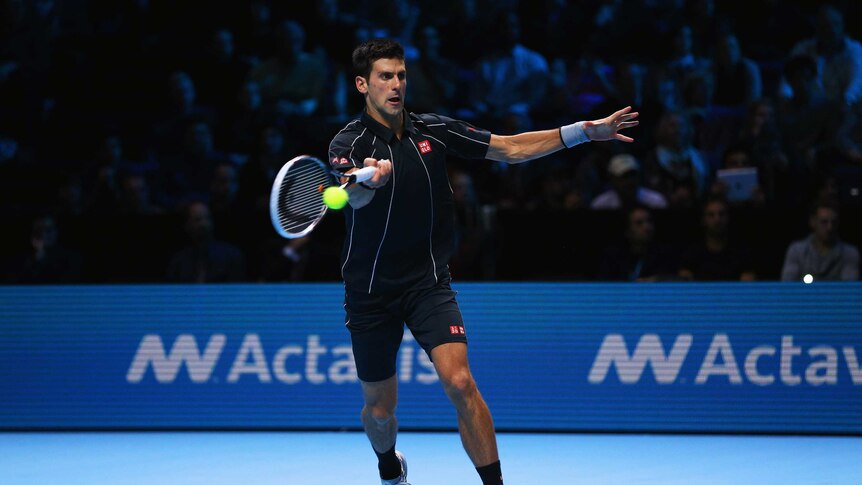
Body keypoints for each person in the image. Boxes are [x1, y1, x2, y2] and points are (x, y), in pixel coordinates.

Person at [328, 38, 638, 485]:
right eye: (384, 76)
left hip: (427, 283)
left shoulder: (433, 130)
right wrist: (370, 181)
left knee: (460, 383)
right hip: (370, 292)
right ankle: (388, 463)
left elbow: (510, 148)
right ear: (363, 84)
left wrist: (583, 132)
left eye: (400, 75)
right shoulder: (347, 142)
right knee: (379, 411)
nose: (395, 84)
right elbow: (350, 198)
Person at [678, 196, 756, 281]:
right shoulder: (692, 253)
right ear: (704, 220)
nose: (717, 219)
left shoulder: (741, 252)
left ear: (728, 218)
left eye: (721, 214)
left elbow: (748, 279)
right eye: (711, 215)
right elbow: (685, 278)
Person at [781, 198, 859, 281]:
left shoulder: (850, 253)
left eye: (833, 222)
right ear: (812, 221)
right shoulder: (796, 251)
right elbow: (787, 285)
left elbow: (848, 289)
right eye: (824, 222)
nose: (830, 227)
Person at [590, 153, 668, 210]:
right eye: (624, 177)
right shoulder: (601, 205)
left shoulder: (656, 201)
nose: (630, 181)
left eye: (633, 175)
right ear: (613, 179)